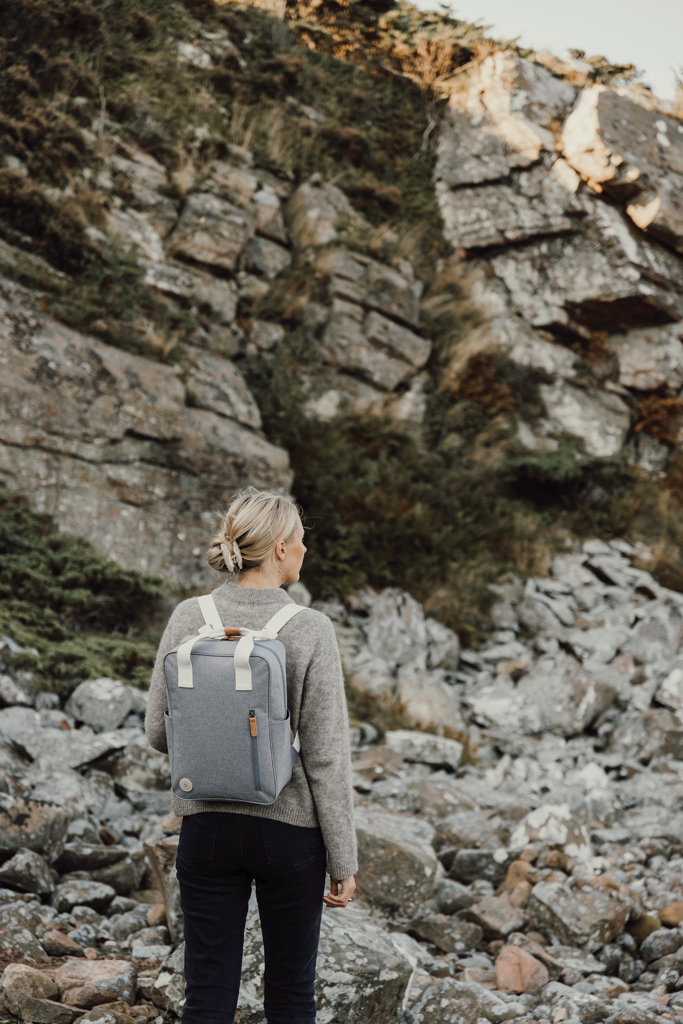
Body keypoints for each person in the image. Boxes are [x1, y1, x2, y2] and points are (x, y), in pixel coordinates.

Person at [145, 487, 357, 1024]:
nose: (306, 549)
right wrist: (343, 859)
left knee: (207, 995)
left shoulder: (188, 616)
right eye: (301, 540)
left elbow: (157, 732)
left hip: (207, 829)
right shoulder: (310, 628)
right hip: (290, 833)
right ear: (281, 548)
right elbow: (326, 757)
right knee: (291, 996)